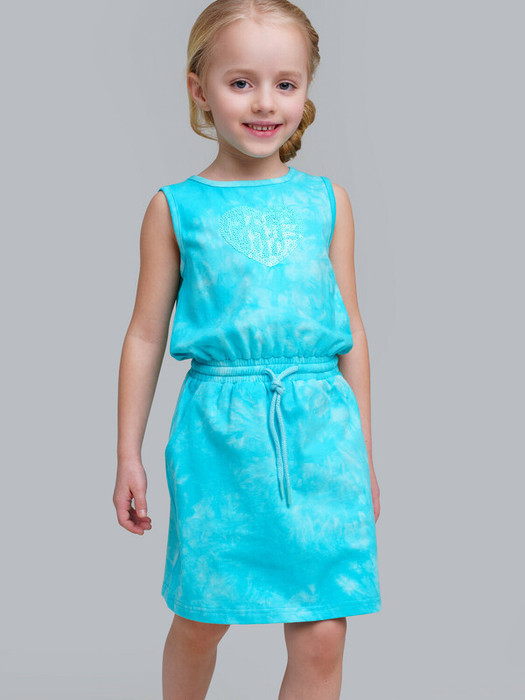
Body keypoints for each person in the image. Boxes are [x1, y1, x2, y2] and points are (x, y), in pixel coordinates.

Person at [113, 1, 382, 697]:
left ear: (305, 91)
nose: (265, 103)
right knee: (203, 618)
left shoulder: (327, 202)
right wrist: (127, 455)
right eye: (241, 83)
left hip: (322, 435)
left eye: (285, 84)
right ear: (199, 89)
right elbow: (145, 334)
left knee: (323, 631)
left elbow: (351, 329)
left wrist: (363, 453)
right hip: (218, 438)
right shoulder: (175, 207)